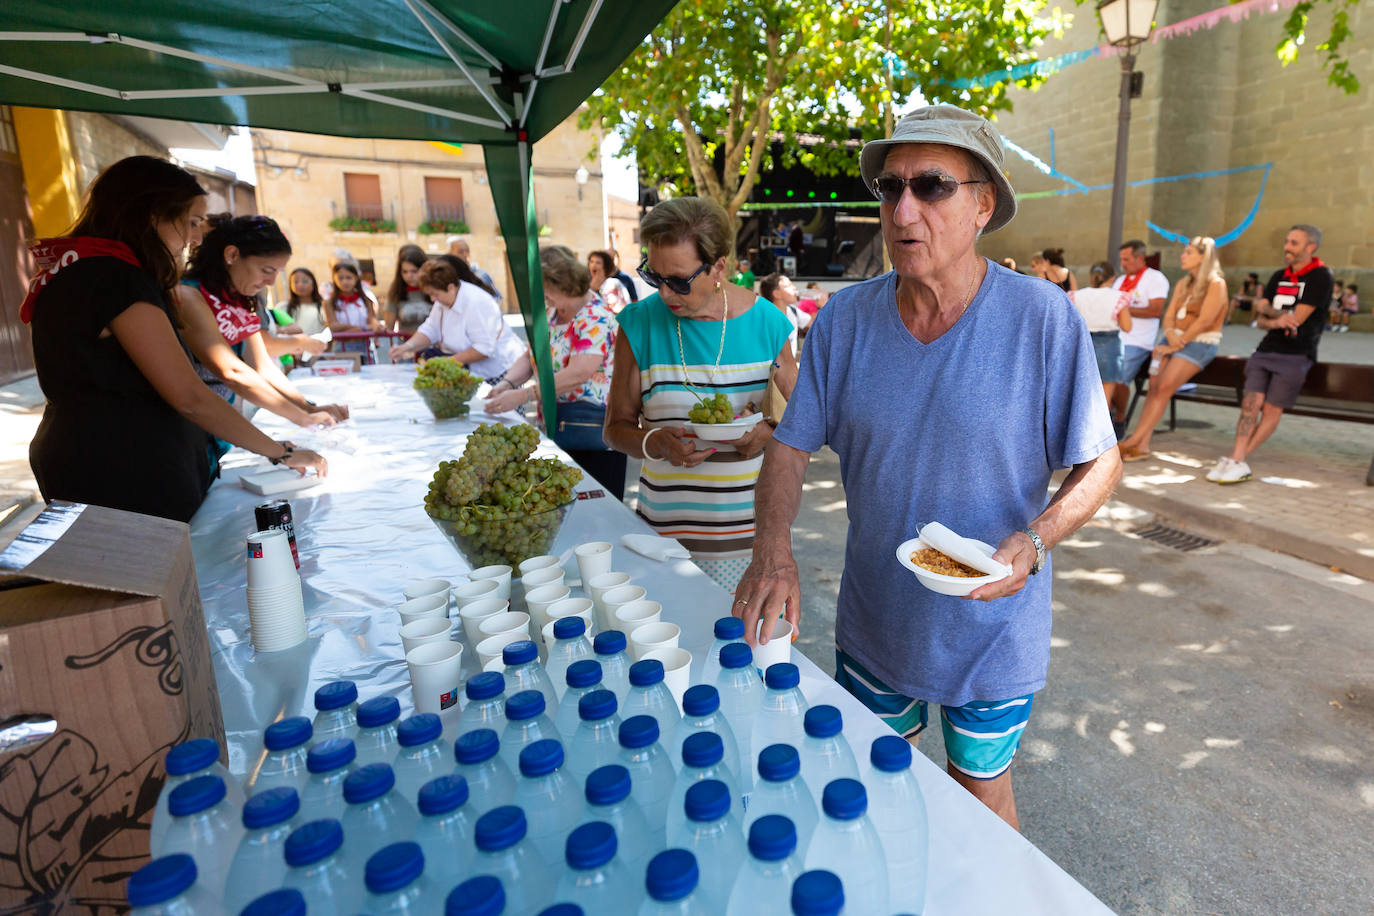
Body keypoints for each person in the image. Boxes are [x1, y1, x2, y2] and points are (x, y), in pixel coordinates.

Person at [731, 105, 1121, 830]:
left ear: (982, 204)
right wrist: (773, 547)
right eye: (890, 186)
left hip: (993, 630)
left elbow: (1102, 462)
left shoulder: (1042, 318)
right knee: (884, 795)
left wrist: (1035, 544)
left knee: (979, 802)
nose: (903, 208)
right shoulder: (844, 321)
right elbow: (789, 445)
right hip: (878, 623)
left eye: (932, 186)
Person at [25, 156, 325, 523]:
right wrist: (279, 451)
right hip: (119, 474)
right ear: (153, 215)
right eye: (193, 222)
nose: (198, 237)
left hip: (107, 463)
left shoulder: (88, 269)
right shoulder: (114, 278)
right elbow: (190, 396)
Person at [604, 197, 798, 592]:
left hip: (750, 542)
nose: (664, 293)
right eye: (653, 276)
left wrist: (771, 431)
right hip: (662, 542)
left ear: (719, 267)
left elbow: (799, 420)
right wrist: (653, 442)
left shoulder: (769, 325)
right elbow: (614, 429)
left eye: (678, 281)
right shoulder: (638, 325)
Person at [177, 215, 348, 478]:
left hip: (221, 430)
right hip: (188, 430)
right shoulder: (189, 295)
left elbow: (261, 366)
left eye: (277, 273)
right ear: (232, 255)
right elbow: (232, 372)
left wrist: (307, 408)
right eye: (267, 270)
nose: (270, 282)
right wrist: (295, 427)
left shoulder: (241, 299)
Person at [484, 246, 627, 498]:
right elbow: (531, 358)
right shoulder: (551, 313)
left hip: (593, 436)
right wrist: (506, 383)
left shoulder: (596, 316)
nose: (539, 296)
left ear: (562, 283)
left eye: (543, 289)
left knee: (596, 512)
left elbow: (579, 373)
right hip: (559, 428)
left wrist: (522, 396)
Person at [1206, 225, 1333, 484]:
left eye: (1294, 243)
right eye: (1287, 241)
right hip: (1265, 350)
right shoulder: (1278, 275)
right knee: (1249, 406)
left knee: (1271, 411)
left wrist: (1268, 311)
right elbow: (1262, 318)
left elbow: (1296, 318)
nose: (1287, 247)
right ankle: (1237, 460)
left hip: (1296, 355)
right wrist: (1274, 317)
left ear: (1311, 247)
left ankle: (1237, 459)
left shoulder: (1321, 276)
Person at [1118, 237, 1228, 461]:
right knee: (1154, 388)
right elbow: (1168, 317)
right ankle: (1143, 445)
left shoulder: (1216, 284)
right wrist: (1169, 338)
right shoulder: (1183, 283)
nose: (1182, 256)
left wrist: (1178, 342)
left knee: (1164, 387)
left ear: (1202, 257)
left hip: (1199, 342)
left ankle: (1132, 440)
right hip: (1172, 340)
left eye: (1188, 252)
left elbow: (1205, 321)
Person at [387, 256, 524, 382]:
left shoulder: (477, 303)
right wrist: (406, 347)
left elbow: (484, 349)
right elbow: (430, 329)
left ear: (451, 287)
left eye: (435, 294)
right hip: (472, 371)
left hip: (498, 372)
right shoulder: (442, 301)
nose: (432, 299)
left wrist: (445, 362)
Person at [1109, 240, 1170, 431]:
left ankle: (1119, 419)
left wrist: (1124, 309)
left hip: (1138, 341)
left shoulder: (1155, 278)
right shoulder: (1120, 281)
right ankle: (1107, 418)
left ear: (1140, 258)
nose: (1123, 264)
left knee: (1118, 379)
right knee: (1097, 378)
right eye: (1121, 259)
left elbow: (1156, 310)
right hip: (1114, 337)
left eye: (1126, 259)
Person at [1068, 261, 1133, 404]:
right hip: (1109, 345)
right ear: (1112, 278)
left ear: (1092, 276)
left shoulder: (1075, 296)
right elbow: (1127, 326)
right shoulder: (1119, 297)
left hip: (1082, 344)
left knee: (1080, 393)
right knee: (1104, 398)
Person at [324, 258, 382, 356]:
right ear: (334, 279)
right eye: (340, 278)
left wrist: (378, 327)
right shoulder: (330, 302)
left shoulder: (365, 300)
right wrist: (359, 329)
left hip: (365, 345)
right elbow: (333, 326)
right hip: (341, 347)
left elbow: (372, 321)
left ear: (356, 278)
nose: (345, 282)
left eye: (349, 278)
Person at [384, 244, 434, 334]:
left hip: (434, 344)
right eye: (405, 272)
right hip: (406, 344)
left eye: (414, 271)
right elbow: (389, 327)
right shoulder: (396, 290)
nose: (409, 276)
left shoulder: (434, 288)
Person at [758, 272, 809, 358]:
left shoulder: (793, 311)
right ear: (776, 294)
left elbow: (815, 323)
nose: (794, 288)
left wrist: (821, 304)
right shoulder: (764, 318)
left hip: (788, 368)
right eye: (788, 285)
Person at [448, 236, 502, 305]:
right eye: (460, 252)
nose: (466, 255)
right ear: (449, 254)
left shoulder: (481, 275)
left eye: (467, 251)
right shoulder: (445, 277)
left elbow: (497, 298)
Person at [587, 249, 632, 313]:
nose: (593, 265)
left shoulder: (614, 284)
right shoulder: (584, 285)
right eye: (591, 261)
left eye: (598, 263)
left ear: (605, 266)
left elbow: (626, 307)